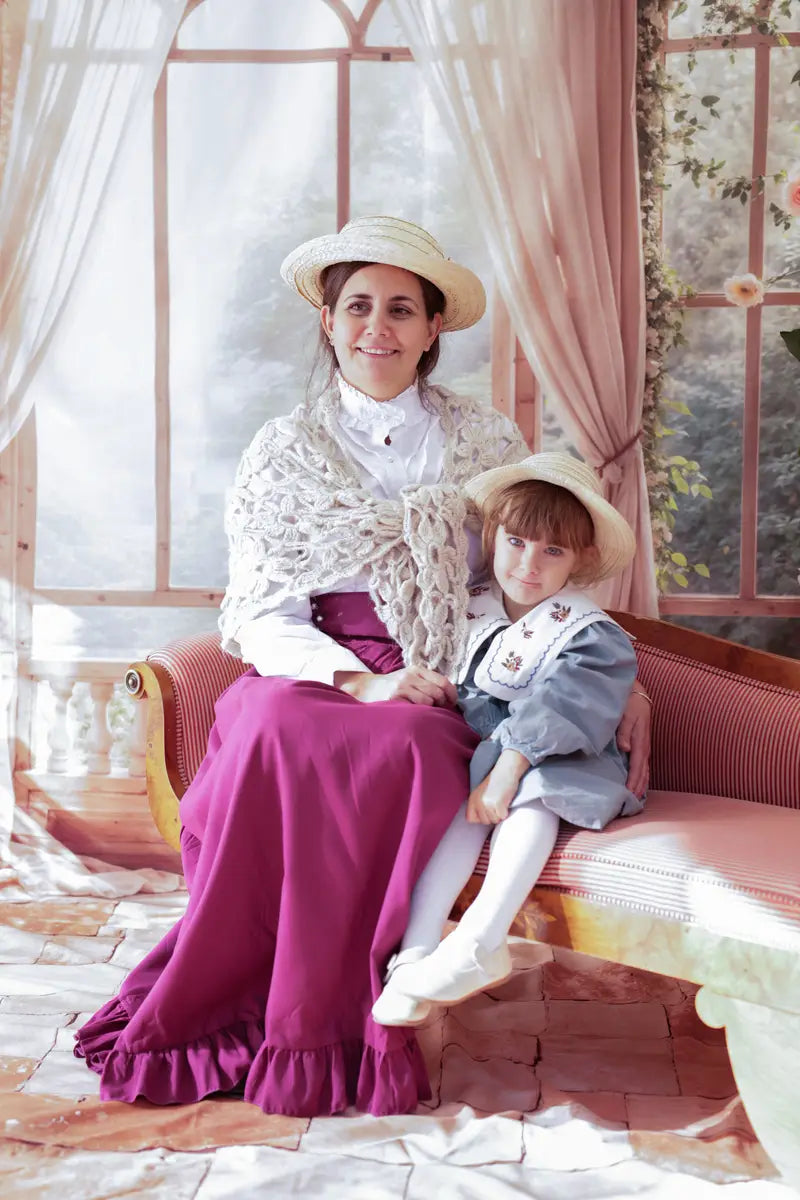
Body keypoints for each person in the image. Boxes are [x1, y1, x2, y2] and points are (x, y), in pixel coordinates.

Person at [75, 216, 651, 1118]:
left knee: (414, 750)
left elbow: (532, 577)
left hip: (446, 668)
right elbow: (261, 610)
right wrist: (355, 677)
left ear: (431, 330)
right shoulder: (283, 450)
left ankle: (349, 1017)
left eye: (400, 310)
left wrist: (614, 676)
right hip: (316, 668)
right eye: (357, 308)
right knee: (271, 728)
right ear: (329, 323)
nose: (376, 327)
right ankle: (239, 1012)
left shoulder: (486, 443)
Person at [372, 453, 643, 1027]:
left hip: (566, 753)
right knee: (456, 800)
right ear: (493, 535)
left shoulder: (588, 633)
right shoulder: (469, 607)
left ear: (582, 558)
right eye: (517, 541)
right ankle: (416, 950)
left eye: (553, 550)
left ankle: (480, 938)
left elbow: (566, 706)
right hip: (490, 756)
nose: (528, 563)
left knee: (533, 794)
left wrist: (508, 768)